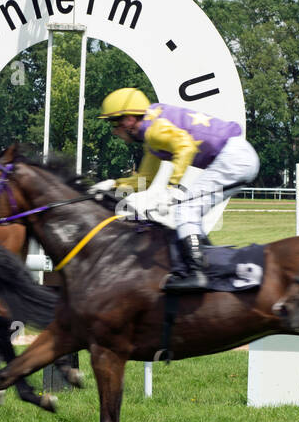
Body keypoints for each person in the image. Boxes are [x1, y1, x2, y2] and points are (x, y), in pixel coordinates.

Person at [95, 87, 259, 293]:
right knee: (190, 211)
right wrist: (112, 184)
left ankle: (198, 273)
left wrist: (175, 187)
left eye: (113, 123)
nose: (113, 130)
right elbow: (145, 179)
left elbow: (185, 146)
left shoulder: (154, 130)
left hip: (234, 158)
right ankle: (208, 264)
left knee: (186, 209)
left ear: (128, 120)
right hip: (236, 156)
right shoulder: (152, 134)